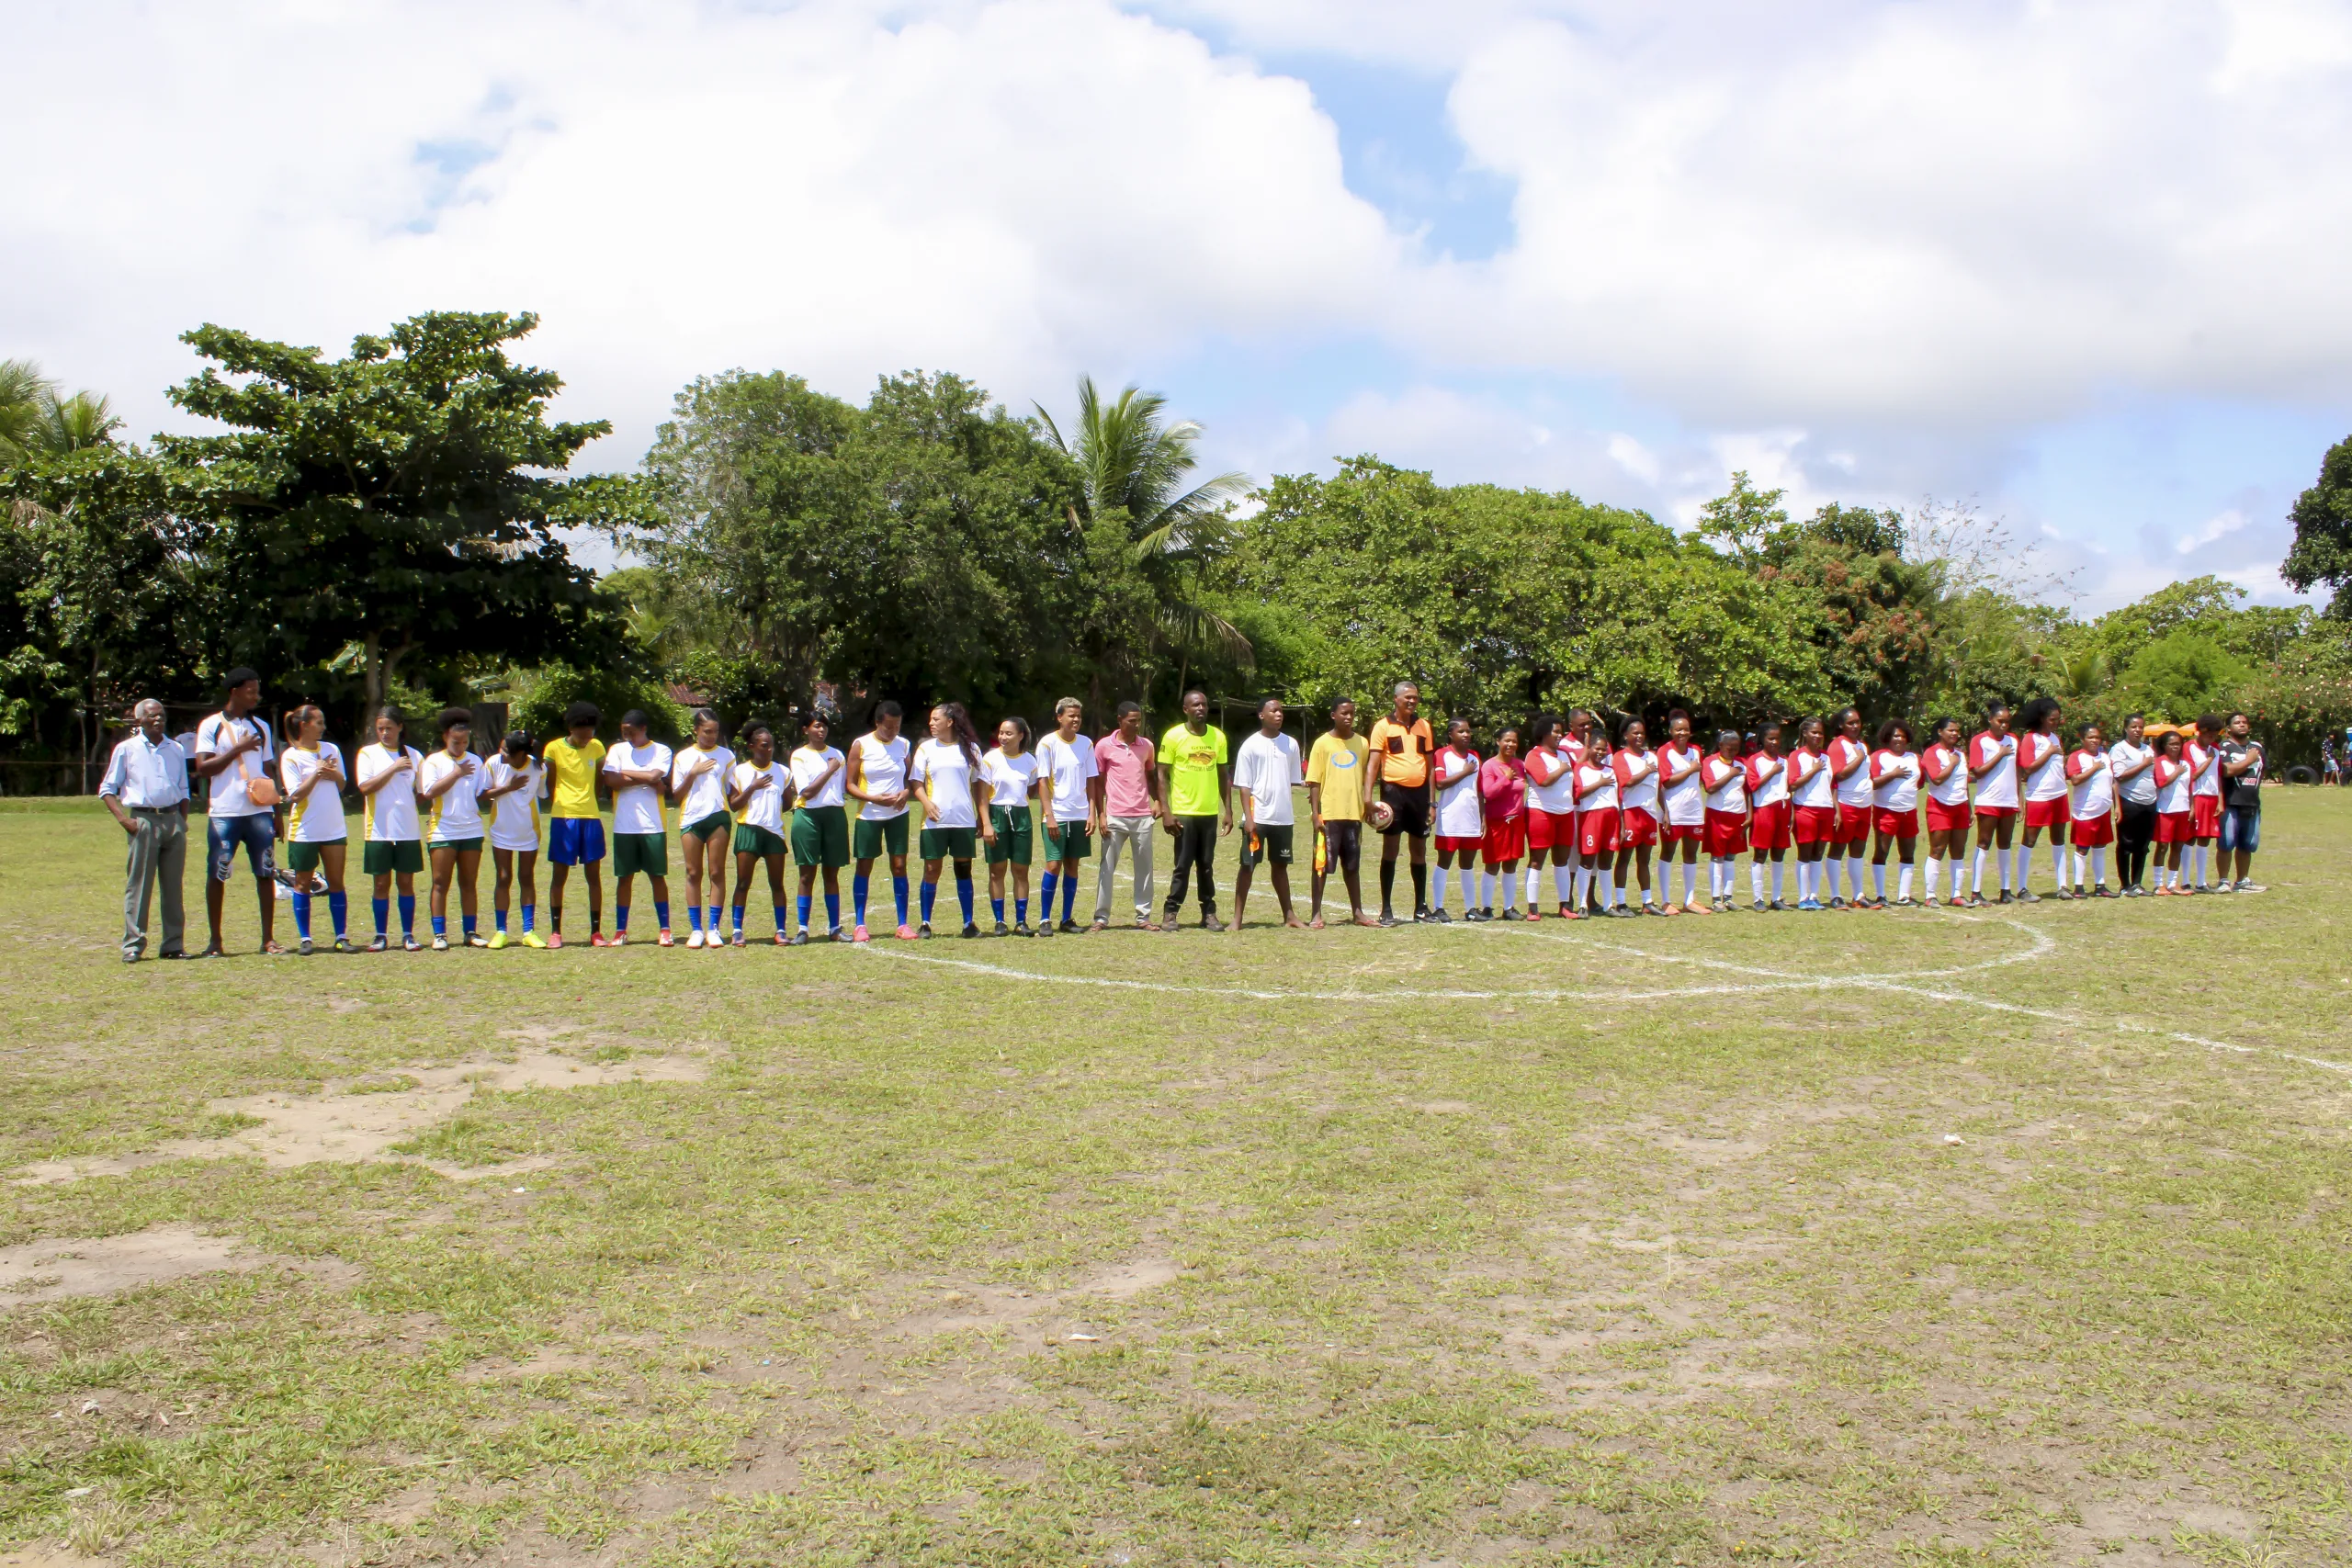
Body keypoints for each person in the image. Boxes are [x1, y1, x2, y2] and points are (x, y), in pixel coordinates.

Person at [191, 667, 284, 957]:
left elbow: (268, 769)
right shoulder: (211, 725)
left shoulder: (262, 727)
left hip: (259, 812)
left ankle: (268, 939)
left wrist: (277, 811)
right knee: (217, 874)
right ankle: (215, 942)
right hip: (225, 812)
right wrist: (237, 749)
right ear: (234, 691)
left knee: (265, 872)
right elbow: (203, 768)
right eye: (251, 690)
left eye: (257, 690)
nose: (256, 695)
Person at [99, 698, 191, 964]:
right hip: (144, 820)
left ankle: (173, 944)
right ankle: (133, 945)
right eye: (151, 716)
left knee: (173, 886)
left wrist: (182, 821)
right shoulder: (127, 749)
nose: (158, 719)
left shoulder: (175, 748)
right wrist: (125, 821)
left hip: (172, 819)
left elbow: (183, 789)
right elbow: (107, 789)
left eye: (161, 714)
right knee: (139, 884)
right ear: (140, 720)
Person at [277, 704, 352, 954]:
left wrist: (334, 775)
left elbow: (342, 785)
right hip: (305, 830)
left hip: (333, 828)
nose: (323, 727)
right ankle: (306, 939)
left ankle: (341, 936)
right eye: (318, 722)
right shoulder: (291, 756)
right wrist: (317, 773)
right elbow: (295, 795)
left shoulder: (332, 749)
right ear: (304, 725)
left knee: (336, 882)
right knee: (302, 884)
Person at [910, 702, 989, 938]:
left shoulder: (971, 749)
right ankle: (925, 923)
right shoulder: (925, 749)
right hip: (935, 821)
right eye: (931, 720)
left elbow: (979, 786)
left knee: (963, 870)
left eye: (936, 719)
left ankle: (968, 923)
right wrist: (926, 803)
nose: (931, 723)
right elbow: (916, 783)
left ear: (950, 721)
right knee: (932, 869)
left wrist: (982, 819)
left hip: (963, 820)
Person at [1158, 689, 1231, 932]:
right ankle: (1171, 912)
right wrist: (1166, 810)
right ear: (1186, 710)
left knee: (1207, 865)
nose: (1201, 708)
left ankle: (1209, 914)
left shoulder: (1218, 737)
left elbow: (1223, 775)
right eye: (1195, 705)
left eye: (1204, 704)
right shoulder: (1173, 736)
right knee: (1182, 864)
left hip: (1208, 813)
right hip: (1183, 812)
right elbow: (1161, 774)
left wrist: (1227, 810)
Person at [355, 707, 426, 952]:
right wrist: (393, 768)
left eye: (389, 728)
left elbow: (423, 792)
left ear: (400, 727)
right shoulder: (368, 754)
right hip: (378, 830)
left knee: (406, 883)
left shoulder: (415, 756)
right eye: (380, 728)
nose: (384, 733)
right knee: (381, 884)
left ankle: (408, 934)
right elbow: (365, 787)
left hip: (407, 830)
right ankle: (380, 935)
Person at [602, 710, 675, 946]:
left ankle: (665, 929)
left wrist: (626, 773)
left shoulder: (661, 750)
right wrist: (648, 780)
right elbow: (611, 780)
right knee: (624, 879)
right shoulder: (617, 750)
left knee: (657, 877)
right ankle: (620, 930)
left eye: (630, 732)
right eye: (624, 732)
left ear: (643, 729)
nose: (626, 737)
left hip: (652, 824)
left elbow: (656, 774)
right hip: (624, 825)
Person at [1231, 697, 1306, 929]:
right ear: (1261, 715)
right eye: (1273, 711)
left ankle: (1290, 916)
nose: (1279, 714)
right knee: (1248, 866)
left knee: (1280, 867)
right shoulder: (1250, 745)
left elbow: (1293, 781)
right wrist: (1249, 818)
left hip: (1283, 818)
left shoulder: (1291, 744)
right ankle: (1237, 919)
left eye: (1281, 711)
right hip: (1257, 817)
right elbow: (1244, 786)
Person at [417, 708, 487, 950]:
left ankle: (471, 932)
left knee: (469, 882)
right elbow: (429, 792)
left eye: (465, 742)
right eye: (456, 742)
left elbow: (483, 793)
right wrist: (456, 773)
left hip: (471, 830)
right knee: (440, 882)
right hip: (443, 830)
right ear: (446, 736)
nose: (460, 746)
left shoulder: (476, 761)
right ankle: (440, 935)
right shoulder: (434, 761)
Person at [1367, 682, 1435, 924]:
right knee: (1391, 850)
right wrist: (1367, 798)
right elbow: (1373, 764)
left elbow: (1430, 765)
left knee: (1419, 850)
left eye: (1415, 697)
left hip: (1419, 796)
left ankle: (1421, 908)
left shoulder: (1423, 726)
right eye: (1407, 697)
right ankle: (1386, 909)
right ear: (1395, 699)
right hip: (1393, 794)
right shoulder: (1382, 726)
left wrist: (1432, 803)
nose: (1412, 701)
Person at [846, 701, 914, 942]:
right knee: (865, 865)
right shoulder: (861, 745)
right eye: (888, 727)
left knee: (899, 866)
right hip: (869, 815)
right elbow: (850, 785)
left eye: (897, 726)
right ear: (877, 723)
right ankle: (860, 924)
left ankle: (903, 924)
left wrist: (906, 793)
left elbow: (910, 780)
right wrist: (873, 798)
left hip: (897, 815)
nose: (893, 731)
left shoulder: (904, 745)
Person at [543, 703, 607, 949]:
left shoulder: (597, 747)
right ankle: (556, 932)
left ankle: (596, 932)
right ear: (571, 729)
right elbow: (550, 783)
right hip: (564, 818)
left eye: (590, 734)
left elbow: (599, 781)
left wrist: (589, 802)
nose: (586, 740)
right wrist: (561, 803)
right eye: (582, 735)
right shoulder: (554, 748)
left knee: (594, 877)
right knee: (559, 876)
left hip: (590, 817)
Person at [1305, 697, 1374, 928]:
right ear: (1333, 715)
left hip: (1354, 814)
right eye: (1344, 713)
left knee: (1352, 867)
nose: (1349, 717)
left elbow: (1365, 776)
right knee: (1321, 864)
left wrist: (1367, 805)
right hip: (1330, 814)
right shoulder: (1322, 744)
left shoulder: (1362, 743)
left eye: (1352, 713)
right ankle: (1316, 914)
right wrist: (1316, 813)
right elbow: (1314, 781)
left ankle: (1358, 913)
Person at [1091, 701, 1159, 932]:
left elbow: (1151, 777)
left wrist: (1158, 801)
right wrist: (1101, 813)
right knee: (1107, 868)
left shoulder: (1147, 746)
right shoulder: (1103, 746)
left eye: (1139, 720)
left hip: (1142, 816)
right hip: (1114, 816)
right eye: (1132, 721)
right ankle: (1101, 917)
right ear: (1120, 720)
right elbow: (1098, 783)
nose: (1137, 724)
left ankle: (1144, 917)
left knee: (1145, 868)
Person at [670, 709, 734, 949]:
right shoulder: (683, 757)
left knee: (716, 872)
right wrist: (693, 773)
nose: (711, 736)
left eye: (715, 731)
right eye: (707, 731)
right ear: (696, 730)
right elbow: (676, 794)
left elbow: (731, 789)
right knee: (693, 872)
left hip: (718, 817)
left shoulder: (726, 755)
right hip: (691, 819)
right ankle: (696, 929)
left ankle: (713, 929)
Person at [1035, 698, 1099, 935]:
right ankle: (1044, 919)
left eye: (1079, 716)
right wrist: (1049, 815)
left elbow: (1091, 780)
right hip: (1057, 815)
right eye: (1071, 715)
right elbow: (1042, 781)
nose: (1076, 720)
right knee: (1053, 864)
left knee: (1073, 866)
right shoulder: (1047, 744)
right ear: (1059, 717)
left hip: (1080, 815)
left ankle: (1066, 919)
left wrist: (1091, 813)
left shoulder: (1086, 744)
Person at [728, 723, 796, 943]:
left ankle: (781, 930)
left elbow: (787, 805)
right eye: (763, 746)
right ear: (751, 746)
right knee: (743, 882)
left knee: (777, 884)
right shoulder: (740, 771)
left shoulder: (783, 772)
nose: (768, 750)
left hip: (774, 833)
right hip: (749, 829)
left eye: (771, 746)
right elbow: (734, 805)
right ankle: (737, 930)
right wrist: (753, 787)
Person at [480, 729, 546, 947]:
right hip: (501, 830)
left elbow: (542, 793)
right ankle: (501, 931)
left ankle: (529, 932)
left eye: (506, 750)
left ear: (520, 754)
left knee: (526, 877)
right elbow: (482, 794)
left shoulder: (537, 767)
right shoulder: (494, 763)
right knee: (504, 877)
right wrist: (508, 788)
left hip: (528, 831)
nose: (501, 753)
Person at [790, 712, 852, 943]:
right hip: (808, 815)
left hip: (834, 814)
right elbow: (806, 791)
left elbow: (840, 789)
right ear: (806, 729)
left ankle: (835, 928)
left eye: (824, 726)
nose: (821, 730)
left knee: (831, 873)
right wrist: (829, 770)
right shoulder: (799, 756)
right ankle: (803, 929)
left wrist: (835, 766)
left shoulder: (838, 755)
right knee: (807, 873)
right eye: (816, 726)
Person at [980, 716, 1041, 936]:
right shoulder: (990, 759)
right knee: (997, 870)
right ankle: (1000, 921)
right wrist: (986, 823)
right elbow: (982, 796)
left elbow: (1032, 790)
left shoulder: (1030, 761)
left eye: (1009, 733)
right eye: (1001, 733)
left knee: (1021, 869)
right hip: (996, 814)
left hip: (1021, 815)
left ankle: (1021, 921)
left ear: (1021, 736)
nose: (1003, 737)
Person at [1966, 700, 2020, 907]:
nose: (2004, 725)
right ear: (1990, 720)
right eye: (2000, 721)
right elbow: (1977, 771)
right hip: (1989, 799)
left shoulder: (2014, 740)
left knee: (2005, 844)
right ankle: (1976, 891)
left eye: (2007, 722)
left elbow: (2017, 771)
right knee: (1984, 842)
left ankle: (2005, 890)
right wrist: (1999, 754)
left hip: (2009, 800)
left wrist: (2019, 800)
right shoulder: (1980, 741)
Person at [1521, 716, 1576, 919]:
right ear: (1544, 733)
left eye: (1561, 731)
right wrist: (1561, 769)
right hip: (1541, 812)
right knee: (1537, 860)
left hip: (1565, 813)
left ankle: (1565, 905)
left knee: (1562, 860)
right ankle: (1532, 907)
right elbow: (1543, 781)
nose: (1560, 735)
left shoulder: (1565, 754)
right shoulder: (1534, 755)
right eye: (1556, 731)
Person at [2015, 696, 2069, 902]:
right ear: (2041, 718)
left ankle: (2062, 885)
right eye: (2052, 719)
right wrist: (2048, 753)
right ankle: (2022, 887)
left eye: (2057, 719)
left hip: (2059, 794)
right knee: (2029, 839)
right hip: (2039, 796)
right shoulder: (2031, 739)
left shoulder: (2055, 738)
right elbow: (2027, 768)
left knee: (2059, 839)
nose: (2055, 723)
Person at [1430, 717, 1481, 922]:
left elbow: (1480, 790)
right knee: (1444, 862)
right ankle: (1438, 907)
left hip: (1471, 819)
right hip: (1450, 818)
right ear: (1451, 734)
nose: (1466, 735)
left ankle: (1470, 909)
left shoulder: (1475, 756)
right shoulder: (1442, 754)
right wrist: (1464, 772)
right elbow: (1440, 783)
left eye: (1468, 731)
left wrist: (1482, 817)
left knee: (1468, 864)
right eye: (1461, 731)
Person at [1866, 719, 1921, 908]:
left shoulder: (1914, 758)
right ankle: (1881, 895)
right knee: (1882, 852)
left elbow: (1919, 783)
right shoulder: (1880, 756)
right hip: (1886, 810)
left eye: (1902, 736)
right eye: (1895, 735)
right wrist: (1893, 775)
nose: (1899, 739)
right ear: (1888, 737)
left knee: (1908, 853)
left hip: (1909, 812)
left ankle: (1904, 895)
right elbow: (1871, 782)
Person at [1656, 712, 1706, 915]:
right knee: (1668, 853)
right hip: (1673, 810)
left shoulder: (1696, 750)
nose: (1682, 732)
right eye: (1678, 729)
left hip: (1693, 810)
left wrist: (1694, 770)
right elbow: (1666, 781)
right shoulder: (1665, 751)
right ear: (1671, 731)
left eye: (1685, 729)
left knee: (1691, 854)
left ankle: (1689, 900)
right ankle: (1666, 901)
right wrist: (1691, 770)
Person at [1476, 727, 1527, 920]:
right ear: (1498, 741)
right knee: (1492, 865)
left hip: (1516, 821)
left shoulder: (1520, 764)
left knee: (1511, 865)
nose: (1511, 744)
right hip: (1496, 822)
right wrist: (1505, 779)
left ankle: (1509, 907)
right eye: (1507, 740)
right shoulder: (1490, 766)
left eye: (1514, 741)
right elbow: (1488, 793)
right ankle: (1487, 907)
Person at [1571, 730, 1623, 918]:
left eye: (1604, 749)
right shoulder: (1581, 769)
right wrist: (1599, 783)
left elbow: (1618, 800)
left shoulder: (1611, 771)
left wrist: (1622, 824)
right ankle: (1583, 904)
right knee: (1587, 861)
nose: (1600, 752)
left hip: (1611, 817)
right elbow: (1578, 794)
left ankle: (1609, 904)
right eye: (1597, 749)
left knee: (1606, 861)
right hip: (1591, 817)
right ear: (1589, 748)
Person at [1826, 706, 1873, 909]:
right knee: (1838, 849)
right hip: (1846, 803)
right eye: (1850, 723)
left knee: (1858, 850)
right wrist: (1859, 758)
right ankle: (1835, 895)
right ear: (1841, 725)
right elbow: (1838, 775)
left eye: (1857, 722)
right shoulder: (1838, 745)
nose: (1855, 726)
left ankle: (1858, 894)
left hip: (1864, 804)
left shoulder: (1861, 745)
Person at [1920, 716, 1971, 907]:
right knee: (1938, 849)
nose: (1955, 733)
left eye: (1957, 730)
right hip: (1939, 806)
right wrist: (1952, 763)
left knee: (1958, 850)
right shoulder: (1932, 753)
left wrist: (1970, 809)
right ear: (1940, 732)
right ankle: (1930, 895)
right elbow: (1937, 779)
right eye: (1950, 730)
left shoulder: (1960, 754)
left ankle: (1957, 894)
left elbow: (1963, 784)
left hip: (1961, 807)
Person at [1612, 718, 1660, 914]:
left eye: (1642, 733)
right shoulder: (1620, 757)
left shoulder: (1653, 756)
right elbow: (1627, 782)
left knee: (1645, 860)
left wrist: (1663, 811)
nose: (1639, 736)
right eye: (1635, 733)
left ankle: (1647, 902)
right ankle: (1621, 902)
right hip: (1631, 811)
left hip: (1649, 813)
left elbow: (1659, 786)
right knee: (1624, 858)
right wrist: (1647, 770)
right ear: (1626, 735)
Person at [1699, 730, 1748, 912]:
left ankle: (1728, 897)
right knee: (1717, 855)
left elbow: (1748, 790)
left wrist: (1749, 815)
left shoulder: (1742, 763)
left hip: (1738, 814)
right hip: (1718, 814)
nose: (1733, 752)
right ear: (1720, 746)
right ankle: (1715, 898)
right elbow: (1710, 788)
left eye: (1736, 749)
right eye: (1729, 748)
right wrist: (1731, 773)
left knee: (1731, 856)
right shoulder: (1710, 762)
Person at [2064, 722, 2117, 897]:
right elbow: (2075, 780)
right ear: (2082, 739)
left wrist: (2117, 807)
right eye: (2090, 737)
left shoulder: (2106, 756)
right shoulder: (2077, 757)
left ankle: (2100, 885)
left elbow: (2112, 782)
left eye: (2097, 737)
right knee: (2082, 849)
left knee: (2100, 848)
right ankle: (2078, 887)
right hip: (2085, 812)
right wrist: (2094, 768)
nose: (2095, 740)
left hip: (2103, 811)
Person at [1788, 716, 1835, 911]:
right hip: (1805, 809)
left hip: (1826, 809)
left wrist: (1836, 809)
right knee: (1804, 854)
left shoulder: (1827, 757)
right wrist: (1813, 770)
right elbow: (1792, 784)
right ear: (1805, 734)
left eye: (1820, 733)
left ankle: (1814, 896)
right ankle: (1803, 897)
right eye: (1814, 732)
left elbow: (1833, 786)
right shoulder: (1797, 756)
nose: (1818, 736)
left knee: (1818, 854)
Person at [2109, 715, 2158, 897]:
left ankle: (2137, 883)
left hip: (2149, 801)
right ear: (2126, 729)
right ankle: (2125, 885)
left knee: (2143, 845)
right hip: (2129, 800)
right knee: (2126, 843)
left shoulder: (2148, 749)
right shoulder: (2119, 749)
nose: (2138, 730)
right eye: (2134, 727)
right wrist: (2144, 764)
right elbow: (2119, 775)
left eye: (2141, 727)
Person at [1744, 723, 1792, 911]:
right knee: (1761, 853)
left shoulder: (1785, 761)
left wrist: (1791, 813)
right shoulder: (1755, 760)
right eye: (1770, 738)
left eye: (1777, 738)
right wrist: (1772, 772)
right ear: (1762, 740)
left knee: (1779, 853)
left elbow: (1788, 789)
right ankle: (1758, 899)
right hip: (1764, 810)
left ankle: (1777, 897)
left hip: (1783, 808)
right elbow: (1753, 786)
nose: (1774, 742)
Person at [2217, 711, 2266, 893]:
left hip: (2251, 802)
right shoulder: (2225, 747)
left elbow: (2262, 770)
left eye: (2245, 722)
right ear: (2228, 729)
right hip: (2231, 801)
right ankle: (2223, 880)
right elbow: (2227, 770)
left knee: (2248, 844)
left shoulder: (2257, 747)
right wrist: (2248, 760)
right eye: (2237, 722)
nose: (2242, 725)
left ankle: (2242, 880)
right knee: (2227, 842)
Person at [2186, 716, 2224, 892]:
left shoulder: (2215, 748)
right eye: (2209, 735)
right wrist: (2208, 760)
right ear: (2200, 731)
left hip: (2212, 798)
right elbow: (2191, 776)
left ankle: (2201, 882)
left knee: (2205, 838)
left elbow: (2218, 776)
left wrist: (2220, 800)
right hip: (2196, 797)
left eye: (2215, 736)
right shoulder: (2189, 747)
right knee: (2189, 837)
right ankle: (2185, 880)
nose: (2212, 739)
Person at [2152, 731, 2192, 893]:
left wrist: (2192, 808)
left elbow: (2190, 787)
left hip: (2183, 810)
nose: (2176, 747)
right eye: (2172, 744)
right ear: (2164, 746)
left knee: (2178, 846)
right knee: (2162, 847)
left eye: (2178, 743)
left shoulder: (2186, 764)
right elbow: (2161, 782)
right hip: (2165, 810)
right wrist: (2176, 772)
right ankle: (2158, 883)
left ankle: (2172, 883)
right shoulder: (2160, 762)